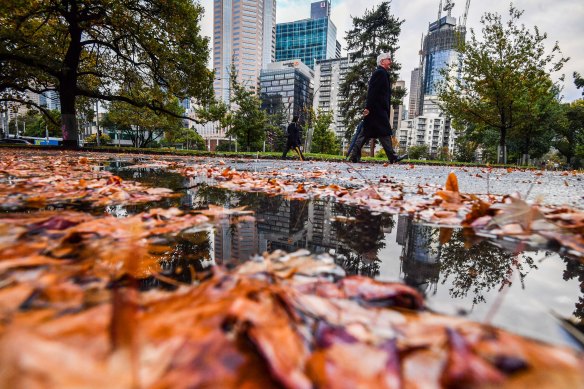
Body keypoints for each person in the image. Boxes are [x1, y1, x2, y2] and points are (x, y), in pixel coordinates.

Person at [349, 52, 407, 164]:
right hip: (376, 110)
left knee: (367, 132)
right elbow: (372, 92)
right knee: (382, 132)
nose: (390, 61)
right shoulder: (380, 73)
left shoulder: (382, 73)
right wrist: (368, 108)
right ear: (382, 61)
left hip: (377, 110)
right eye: (388, 59)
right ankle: (392, 157)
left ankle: (355, 156)